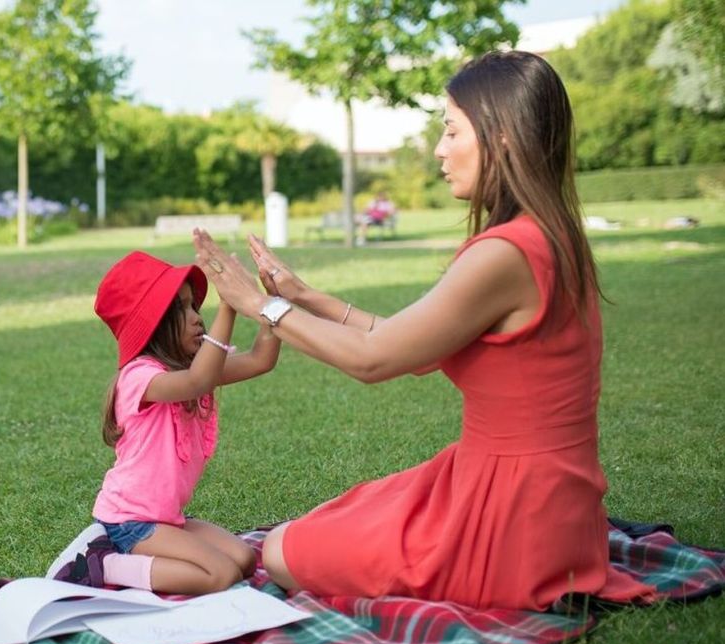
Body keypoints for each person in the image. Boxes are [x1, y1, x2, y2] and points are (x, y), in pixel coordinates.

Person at [191, 50, 656, 611]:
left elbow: (374, 360)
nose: (439, 150)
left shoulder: (506, 253)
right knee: (326, 519)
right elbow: (415, 348)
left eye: (451, 131)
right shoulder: (549, 233)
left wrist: (259, 305)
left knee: (282, 551)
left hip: (514, 519)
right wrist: (303, 296)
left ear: (502, 136)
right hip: (545, 499)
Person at [53, 251, 280, 595]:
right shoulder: (140, 378)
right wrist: (228, 307)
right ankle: (102, 565)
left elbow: (262, 360)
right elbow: (198, 382)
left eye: (195, 307)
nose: (195, 318)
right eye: (181, 310)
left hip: (165, 519)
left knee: (245, 561)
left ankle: (126, 560)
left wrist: (271, 302)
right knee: (221, 575)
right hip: (128, 521)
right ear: (154, 325)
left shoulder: (191, 370)